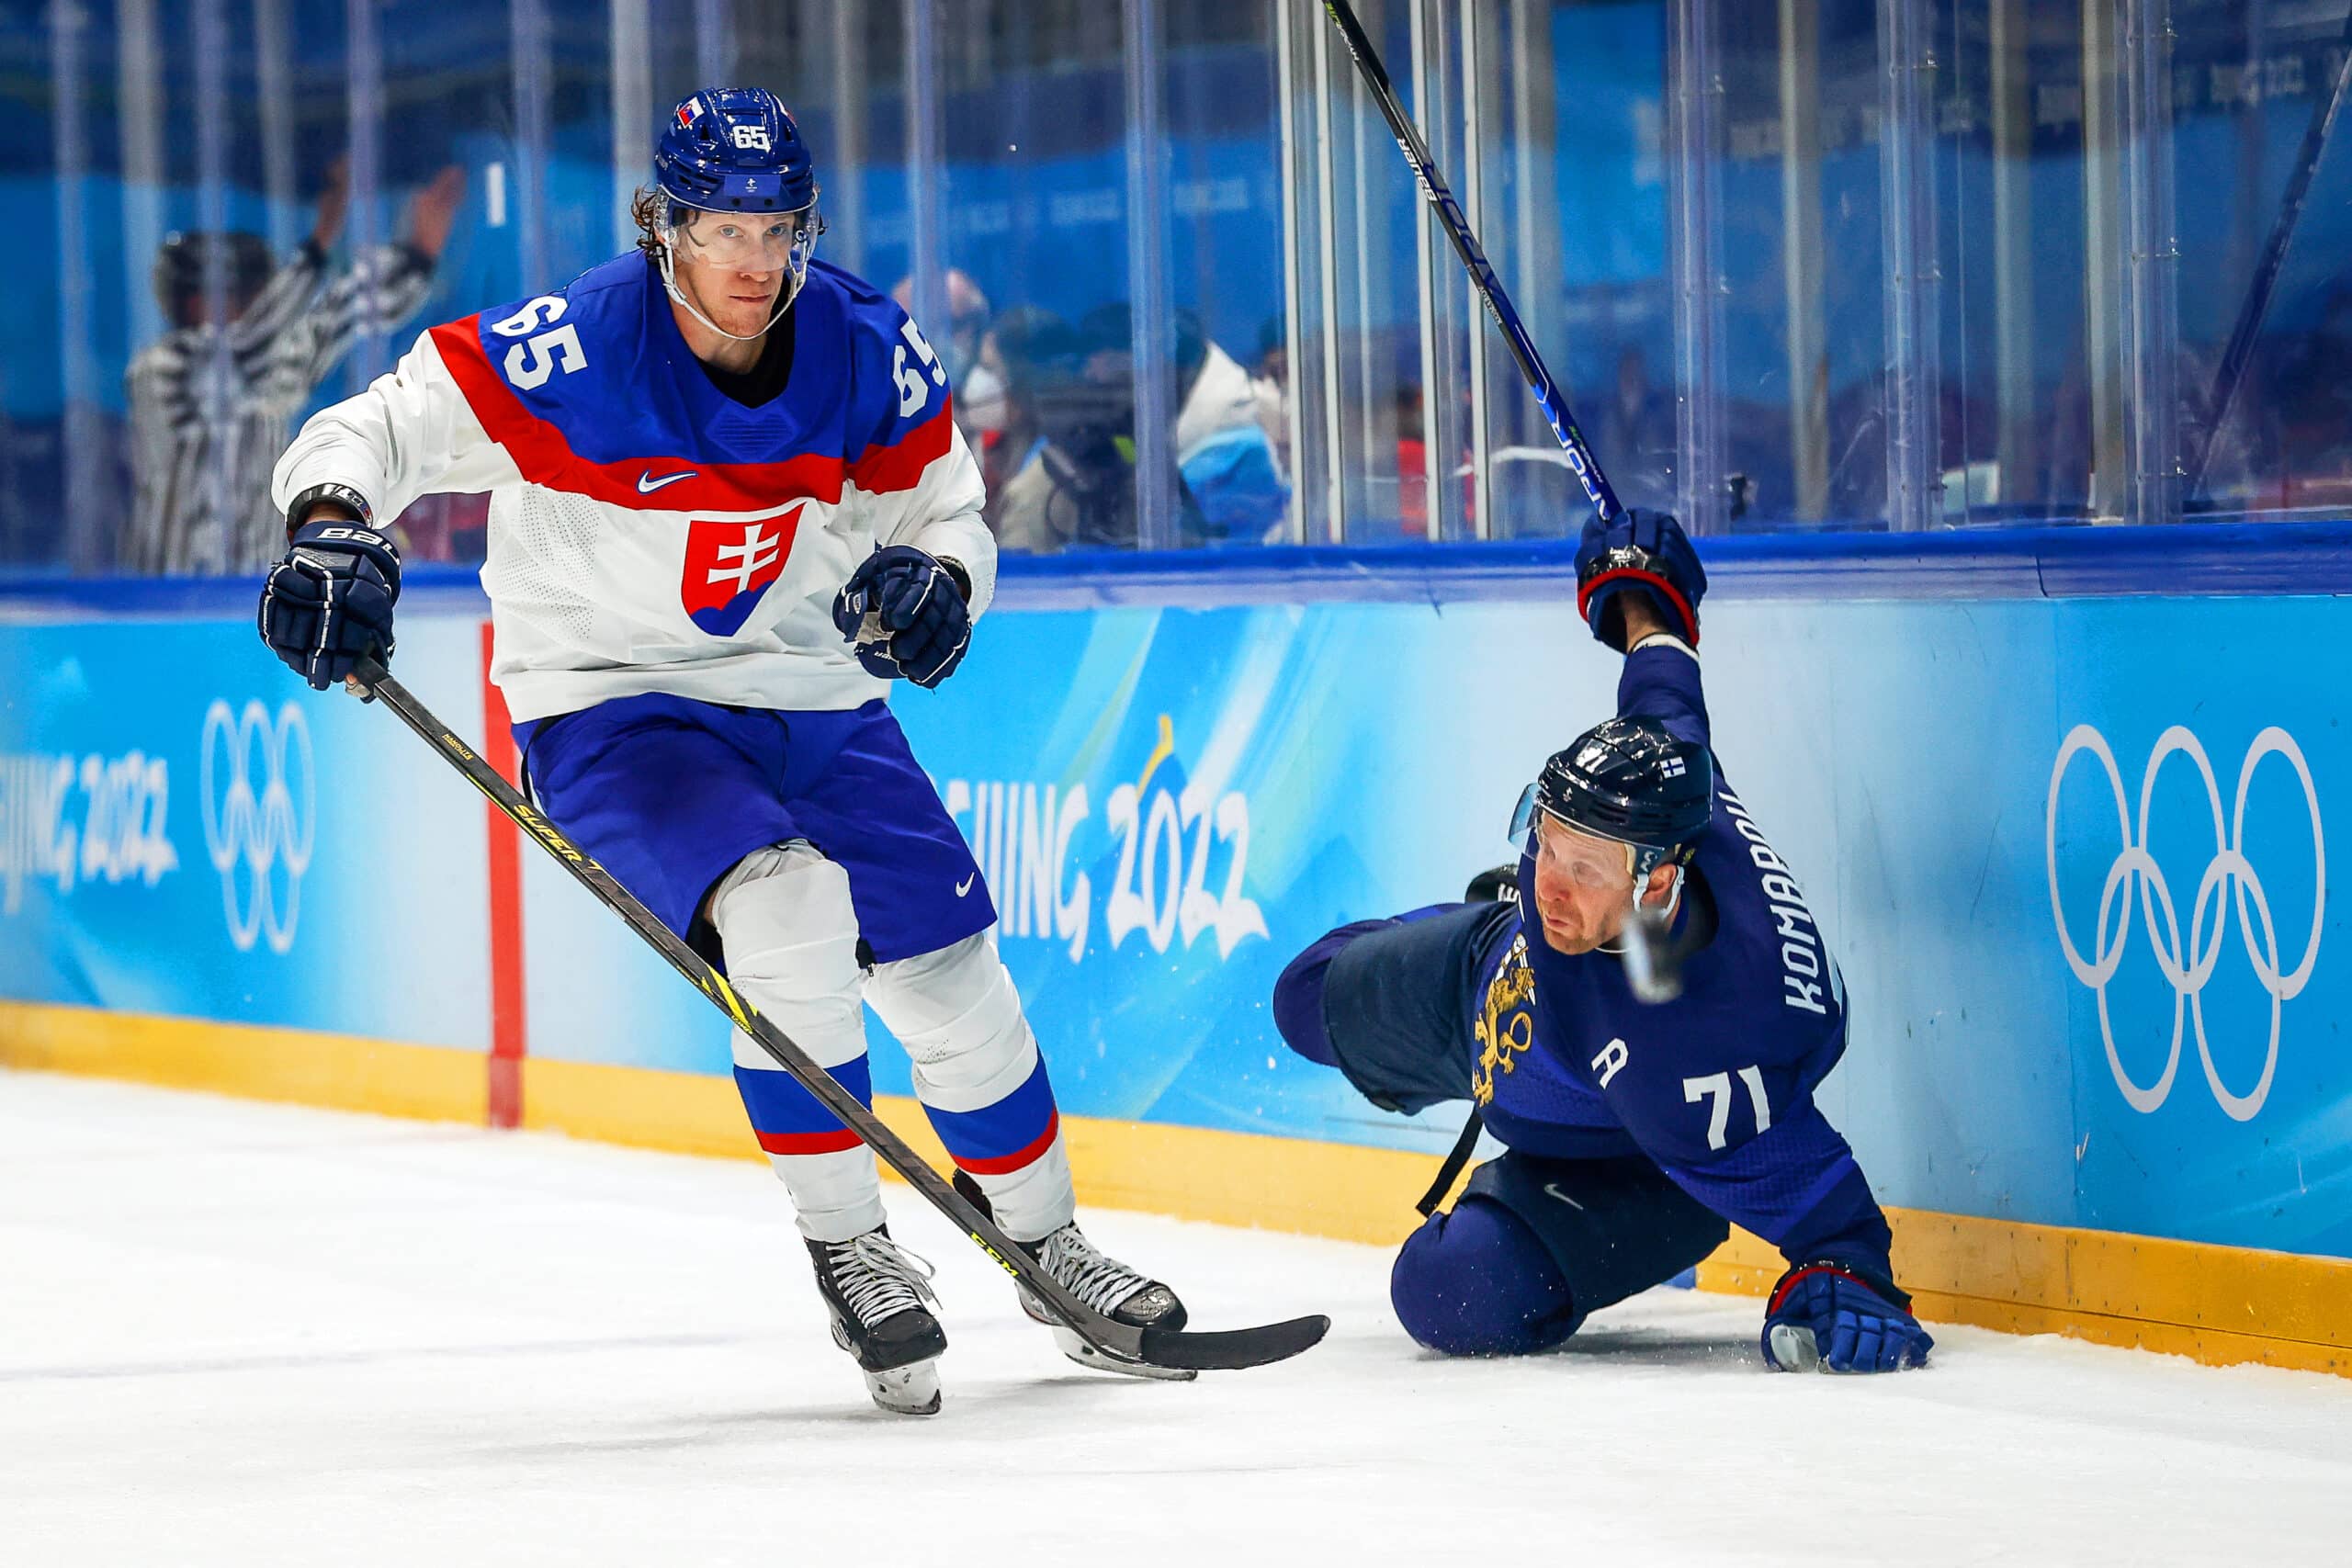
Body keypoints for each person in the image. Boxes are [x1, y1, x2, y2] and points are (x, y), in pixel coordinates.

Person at [253, 88, 1185, 1416]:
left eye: (777, 228)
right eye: (721, 228)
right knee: (786, 909)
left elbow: (950, 510)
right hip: (611, 703)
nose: (753, 259)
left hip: (812, 693)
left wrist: (942, 581)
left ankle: (1048, 1243)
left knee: (949, 972)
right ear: (664, 226)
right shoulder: (575, 347)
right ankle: (853, 1245)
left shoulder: (864, 346)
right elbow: (375, 429)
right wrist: (332, 522)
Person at [1272, 508, 1932, 1374]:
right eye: (1545, 840)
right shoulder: (1671, 771)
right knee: (1304, 998)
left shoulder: (1696, 1056)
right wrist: (1639, 587)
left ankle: (1668, 1207)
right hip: (1496, 983)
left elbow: (1830, 1213)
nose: (1549, 880)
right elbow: (1665, 679)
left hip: (1626, 1155)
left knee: (1444, 1289)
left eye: (1583, 867)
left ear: (1656, 883)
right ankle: (1489, 925)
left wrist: (1847, 1273)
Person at [124, 160, 463, 575]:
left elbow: (337, 316)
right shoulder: (162, 369)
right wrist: (318, 245)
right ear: (196, 302)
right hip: (164, 593)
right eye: (253, 295)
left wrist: (417, 256)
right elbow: (248, 344)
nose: (265, 306)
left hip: (255, 587)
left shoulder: (268, 366)